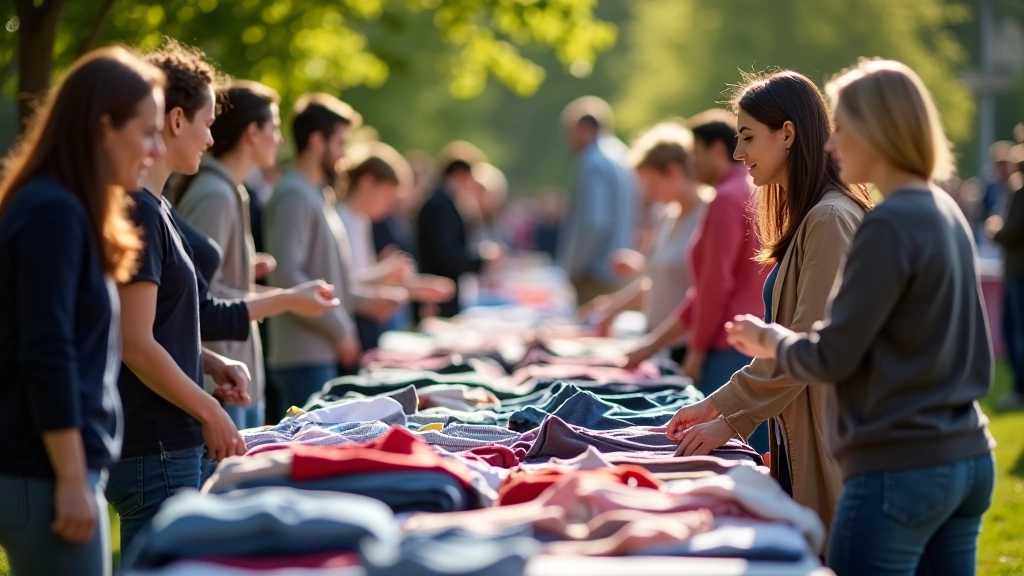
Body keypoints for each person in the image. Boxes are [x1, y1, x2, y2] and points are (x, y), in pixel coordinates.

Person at [725, 59, 996, 576]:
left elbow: (831, 354)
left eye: (843, 128)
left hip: (901, 465)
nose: (830, 143)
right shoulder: (944, 210)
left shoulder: (881, 222)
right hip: (966, 456)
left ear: (880, 131)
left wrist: (769, 341)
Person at [107, 42, 339, 552]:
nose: (211, 137)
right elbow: (136, 343)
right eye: (206, 122)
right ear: (173, 121)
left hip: (164, 445)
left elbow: (163, 322)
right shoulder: (143, 211)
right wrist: (211, 413)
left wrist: (209, 362)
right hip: (157, 449)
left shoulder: (157, 206)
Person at [664, 71, 872, 540]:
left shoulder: (830, 219)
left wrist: (729, 419)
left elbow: (806, 348)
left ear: (788, 134)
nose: (739, 153)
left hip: (835, 440)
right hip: (813, 432)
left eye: (748, 137)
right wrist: (719, 409)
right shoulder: (816, 215)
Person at [0, 46, 162, 576]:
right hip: (46, 474)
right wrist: (71, 478)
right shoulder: (53, 211)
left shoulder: (62, 205)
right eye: (146, 131)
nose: (155, 148)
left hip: (51, 471)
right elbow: (47, 352)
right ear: (103, 127)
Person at [264, 93, 406, 416]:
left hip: (317, 354)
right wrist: (340, 329)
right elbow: (288, 276)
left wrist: (366, 300)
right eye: (340, 143)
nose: (344, 154)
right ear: (317, 141)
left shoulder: (315, 194)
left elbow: (329, 281)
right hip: (302, 358)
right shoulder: (294, 195)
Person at [624, 110, 768, 399]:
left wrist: (697, 352)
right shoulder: (749, 189)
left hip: (727, 346)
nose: (691, 163)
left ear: (715, 150)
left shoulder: (726, 197)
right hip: (750, 339)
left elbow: (713, 287)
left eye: (695, 153)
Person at [174, 81, 283, 430]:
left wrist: (244, 272)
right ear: (252, 132)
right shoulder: (215, 195)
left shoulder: (230, 192)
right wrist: (290, 299)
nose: (279, 139)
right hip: (220, 386)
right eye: (274, 127)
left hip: (233, 379)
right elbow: (199, 298)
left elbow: (211, 278)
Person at [579, 122, 706, 360]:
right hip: (659, 346)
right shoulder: (665, 215)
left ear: (674, 171)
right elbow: (654, 281)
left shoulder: (708, 214)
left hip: (688, 350)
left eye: (652, 183)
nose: (648, 192)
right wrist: (611, 308)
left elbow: (706, 293)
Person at [335, 141, 455, 349]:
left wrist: (413, 287)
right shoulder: (341, 220)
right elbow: (342, 283)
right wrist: (390, 274)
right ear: (367, 182)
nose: (388, 206)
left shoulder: (360, 221)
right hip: (346, 334)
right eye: (387, 196)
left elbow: (361, 280)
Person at [557, 96, 638, 305]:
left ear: (585, 128)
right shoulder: (622, 154)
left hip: (594, 275)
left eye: (570, 131)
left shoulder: (592, 161)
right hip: (618, 271)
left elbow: (594, 222)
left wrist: (575, 266)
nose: (568, 139)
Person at [416, 141, 502, 317]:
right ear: (460, 174)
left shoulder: (444, 203)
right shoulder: (439, 206)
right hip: (438, 297)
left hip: (442, 293)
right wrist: (482, 259)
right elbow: (446, 256)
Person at [987, 144, 1024, 410]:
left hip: (1018, 271)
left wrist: (993, 230)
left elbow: (1012, 231)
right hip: (1015, 270)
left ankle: (1020, 390)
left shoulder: (1020, 192)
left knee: (1016, 333)